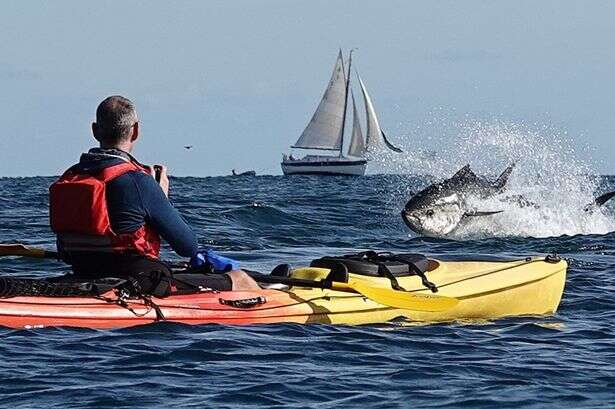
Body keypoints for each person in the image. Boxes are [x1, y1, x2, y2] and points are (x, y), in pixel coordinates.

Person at [49, 95, 259, 292]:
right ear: (136, 131)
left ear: (95, 131)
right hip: (137, 280)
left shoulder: (70, 176)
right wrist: (161, 197)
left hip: (83, 271)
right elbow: (187, 246)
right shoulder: (138, 181)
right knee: (240, 279)